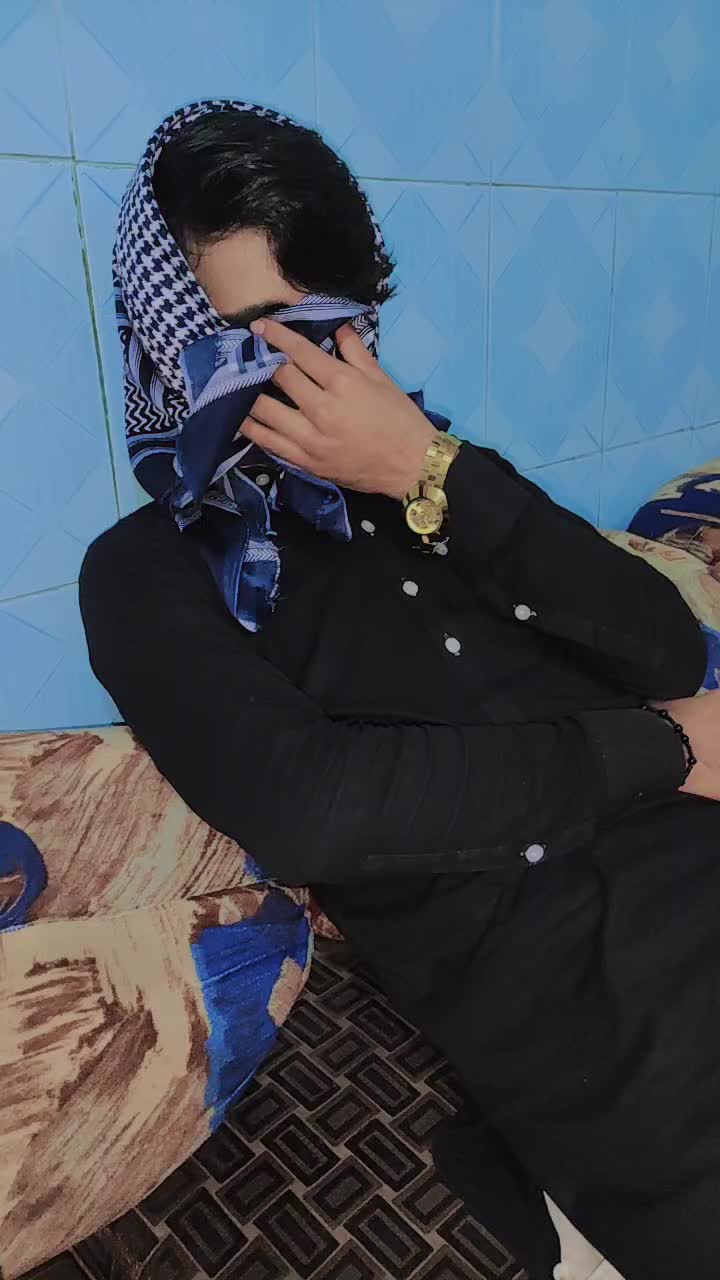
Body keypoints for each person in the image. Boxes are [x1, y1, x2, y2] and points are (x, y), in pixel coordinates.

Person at [80, 100, 720, 1280]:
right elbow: (312, 805)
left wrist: (431, 471)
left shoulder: (432, 476)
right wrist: (660, 747)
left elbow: (668, 646)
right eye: (261, 333)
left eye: (333, 322)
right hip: (611, 1023)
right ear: (168, 334)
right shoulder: (145, 573)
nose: (312, 366)